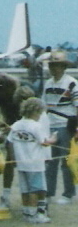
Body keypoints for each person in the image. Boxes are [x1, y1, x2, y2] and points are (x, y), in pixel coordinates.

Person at [7, 96, 55, 223]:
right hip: (35, 164)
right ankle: (34, 215)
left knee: (25, 190)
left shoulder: (16, 125)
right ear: (35, 112)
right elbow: (44, 142)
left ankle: (27, 212)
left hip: (21, 163)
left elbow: (10, 142)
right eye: (40, 113)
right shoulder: (36, 126)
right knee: (35, 189)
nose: (40, 116)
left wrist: (13, 158)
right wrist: (54, 138)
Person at [40, 49, 77, 205]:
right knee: (50, 161)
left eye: (57, 65)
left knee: (66, 160)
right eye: (51, 65)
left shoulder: (72, 83)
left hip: (65, 125)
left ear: (63, 67)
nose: (54, 68)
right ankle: (49, 192)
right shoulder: (48, 83)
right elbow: (43, 105)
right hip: (50, 125)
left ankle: (68, 193)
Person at [0, 73, 20, 208]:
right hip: (11, 129)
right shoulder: (1, 97)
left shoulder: (21, 95)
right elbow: (1, 114)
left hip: (26, 129)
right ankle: (6, 195)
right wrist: (3, 127)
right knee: (10, 160)